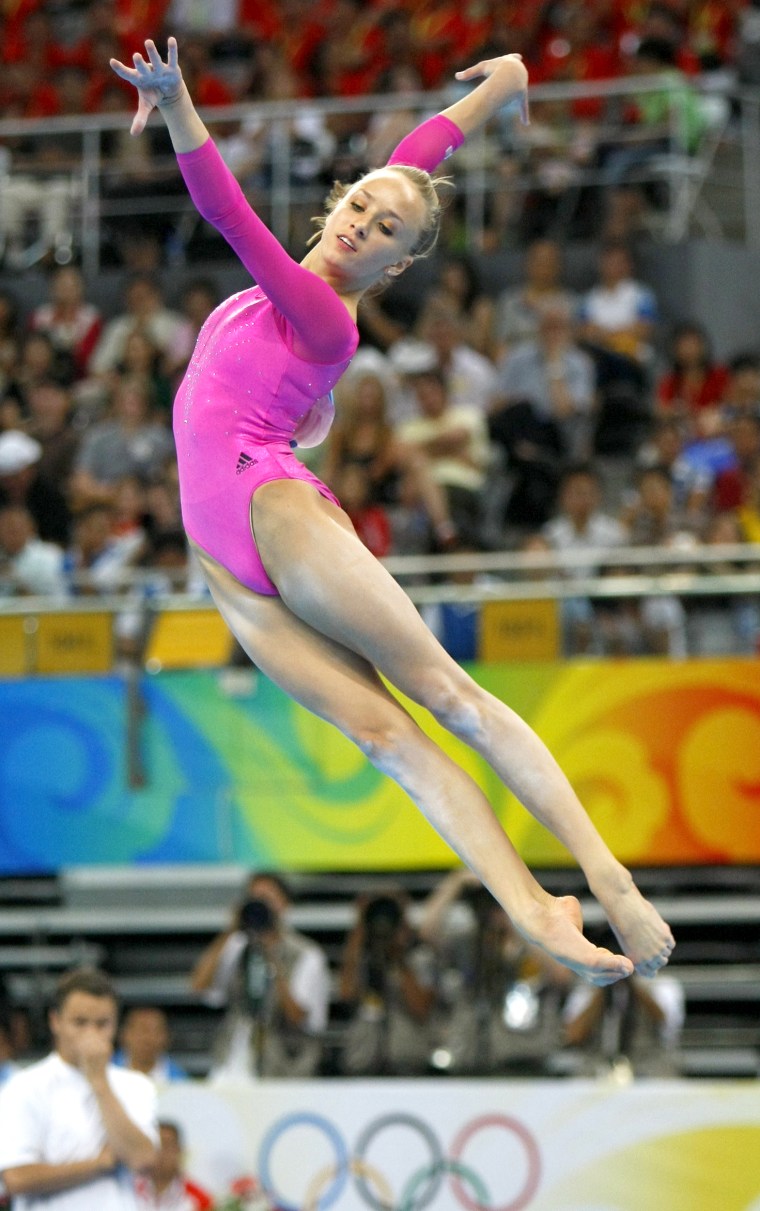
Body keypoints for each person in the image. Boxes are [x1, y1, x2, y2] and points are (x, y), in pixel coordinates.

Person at [110, 36, 674, 987]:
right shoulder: (332, 250)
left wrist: (176, 105)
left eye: (386, 230)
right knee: (388, 740)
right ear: (339, 206)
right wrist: (502, 85)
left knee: (447, 694)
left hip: (273, 505)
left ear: (399, 267)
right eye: (360, 206)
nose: (366, 223)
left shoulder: (323, 315)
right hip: (228, 576)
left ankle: (608, 876)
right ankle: (532, 907)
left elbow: (227, 211)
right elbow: (418, 156)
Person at [0, 966, 157, 1211]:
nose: (91, 1034)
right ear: (56, 1021)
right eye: (80, 1023)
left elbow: (143, 1159)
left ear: (116, 1025)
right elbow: (16, 1178)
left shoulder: (136, 1085)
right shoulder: (24, 1086)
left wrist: (99, 1082)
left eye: (102, 1024)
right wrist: (100, 1163)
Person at [189, 871, 330, 1078]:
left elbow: (297, 1016)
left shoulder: (306, 954)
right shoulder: (236, 946)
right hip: (234, 1058)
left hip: (283, 1064)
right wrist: (230, 930)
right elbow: (198, 985)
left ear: (284, 904)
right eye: (254, 899)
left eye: (267, 899)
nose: (260, 905)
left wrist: (271, 958)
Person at [337, 889, 438, 1076]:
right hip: (363, 1061)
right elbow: (346, 994)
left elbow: (421, 1009)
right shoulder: (361, 956)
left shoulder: (420, 957)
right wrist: (360, 926)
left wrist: (398, 957)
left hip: (407, 1063)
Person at [134, 1121, 212, 1211]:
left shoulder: (199, 1199)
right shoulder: (128, 1188)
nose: (160, 1152)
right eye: (154, 1145)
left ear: (179, 1150)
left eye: (166, 1145)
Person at [113, 1008, 189, 1085]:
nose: (148, 1038)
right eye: (141, 1030)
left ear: (167, 1037)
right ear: (123, 1034)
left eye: (155, 1031)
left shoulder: (181, 1080)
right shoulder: (106, 1070)